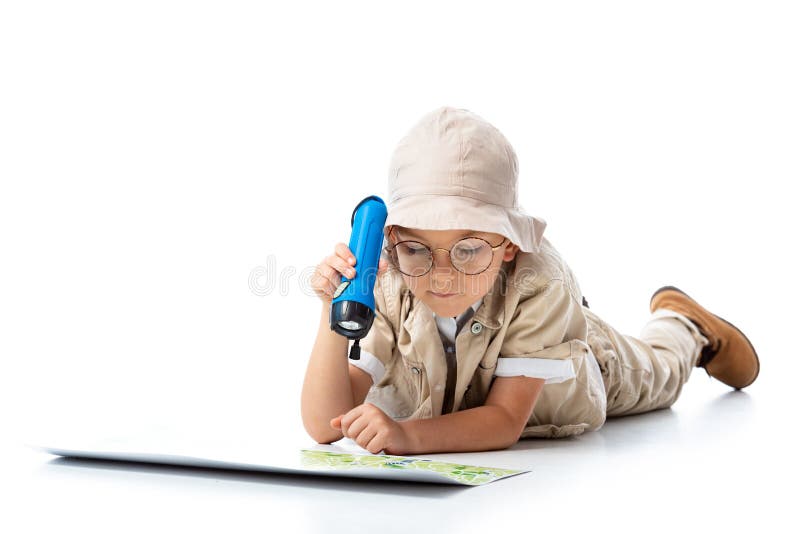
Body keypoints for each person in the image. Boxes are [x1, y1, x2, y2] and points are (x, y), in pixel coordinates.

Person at [301, 106, 760, 456]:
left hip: (581, 372)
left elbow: (503, 420)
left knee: (660, 374)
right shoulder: (386, 282)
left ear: (508, 245)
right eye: (417, 247)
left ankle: (683, 327)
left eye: (467, 249)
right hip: (471, 395)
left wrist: (406, 435)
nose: (442, 273)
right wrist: (331, 310)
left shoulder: (540, 283)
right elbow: (325, 425)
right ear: (392, 240)